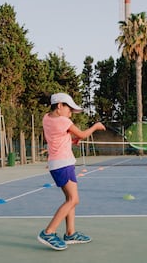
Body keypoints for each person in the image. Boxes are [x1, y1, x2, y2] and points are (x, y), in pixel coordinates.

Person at [38, 92, 106, 251]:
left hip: (59, 163)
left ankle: (70, 233)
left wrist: (71, 140)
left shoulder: (46, 118)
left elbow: (56, 137)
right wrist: (96, 126)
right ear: (59, 105)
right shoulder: (63, 120)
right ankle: (48, 232)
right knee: (73, 200)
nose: (71, 113)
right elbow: (82, 134)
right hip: (63, 164)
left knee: (70, 198)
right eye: (70, 109)